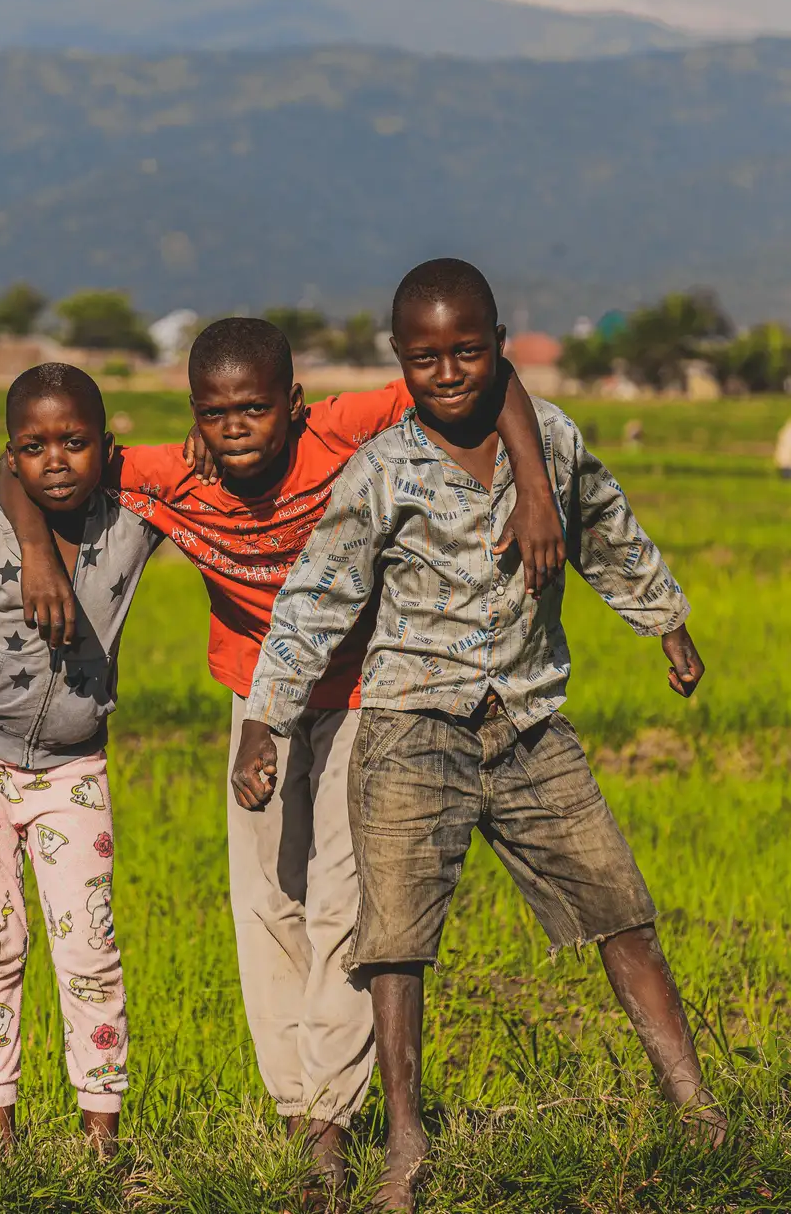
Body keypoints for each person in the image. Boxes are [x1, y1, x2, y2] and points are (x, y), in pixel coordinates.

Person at [0, 319, 565, 1193]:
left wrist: (535, 488)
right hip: (250, 697)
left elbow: (489, 387)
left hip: (363, 691)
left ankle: (330, 1124)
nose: (235, 430)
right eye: (215, 412)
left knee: (345, 896)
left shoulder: (343, 430)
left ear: (293, 407)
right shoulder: (172, 472)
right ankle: (294, 1102)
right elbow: (29, 460)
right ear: (194, 414)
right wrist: (37, 552)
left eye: (255, 409)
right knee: (265, 897)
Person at [240, 260, 726, 1212]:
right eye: (426, 358)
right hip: (411, 728)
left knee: (618, 906)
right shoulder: (382, 471)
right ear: (400, 361)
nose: (450, 371)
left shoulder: (548, 440)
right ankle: (405, 1142)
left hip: (530, 723)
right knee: (394, 943)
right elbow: (316, 597)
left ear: (500, 342)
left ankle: (695, 1101)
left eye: (468, 350)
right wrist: (267, 718)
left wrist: (665, 620)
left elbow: (608, 531)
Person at [0, 364, 161, 1151]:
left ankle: (101, 1141)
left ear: (106, 449)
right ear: (11, 455)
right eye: (35, 445)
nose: (56, 459)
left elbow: (199, 475)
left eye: (75, 442)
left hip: (73, 771)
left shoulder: (131, 525)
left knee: (89, 952)